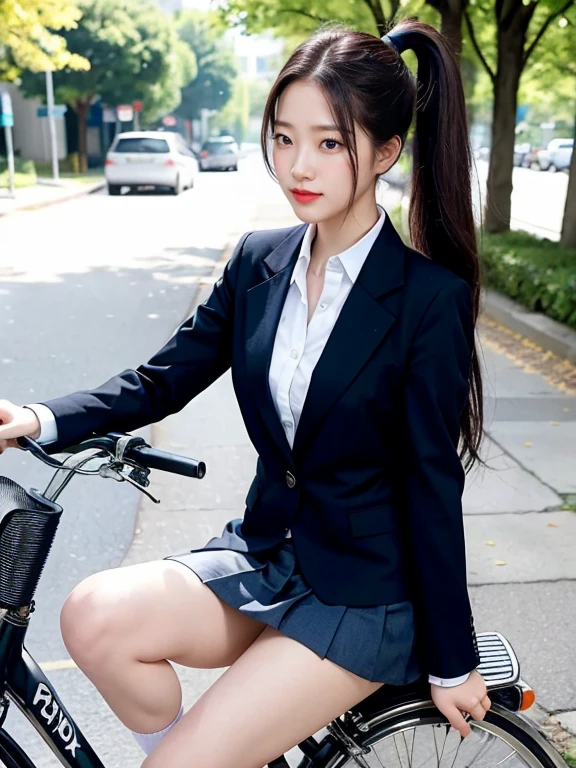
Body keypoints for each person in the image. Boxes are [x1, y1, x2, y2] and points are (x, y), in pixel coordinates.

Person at [0, 17, 490, 768]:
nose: (299, 164)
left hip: (362, 593)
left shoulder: (427, 300)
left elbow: (431, 481)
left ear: (386, 153)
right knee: (92, 616)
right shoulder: (259, 262)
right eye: (284, 136)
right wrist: (37, 416)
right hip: (268, 554)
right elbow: (161, 379)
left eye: (331, 143)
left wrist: (452, 660)